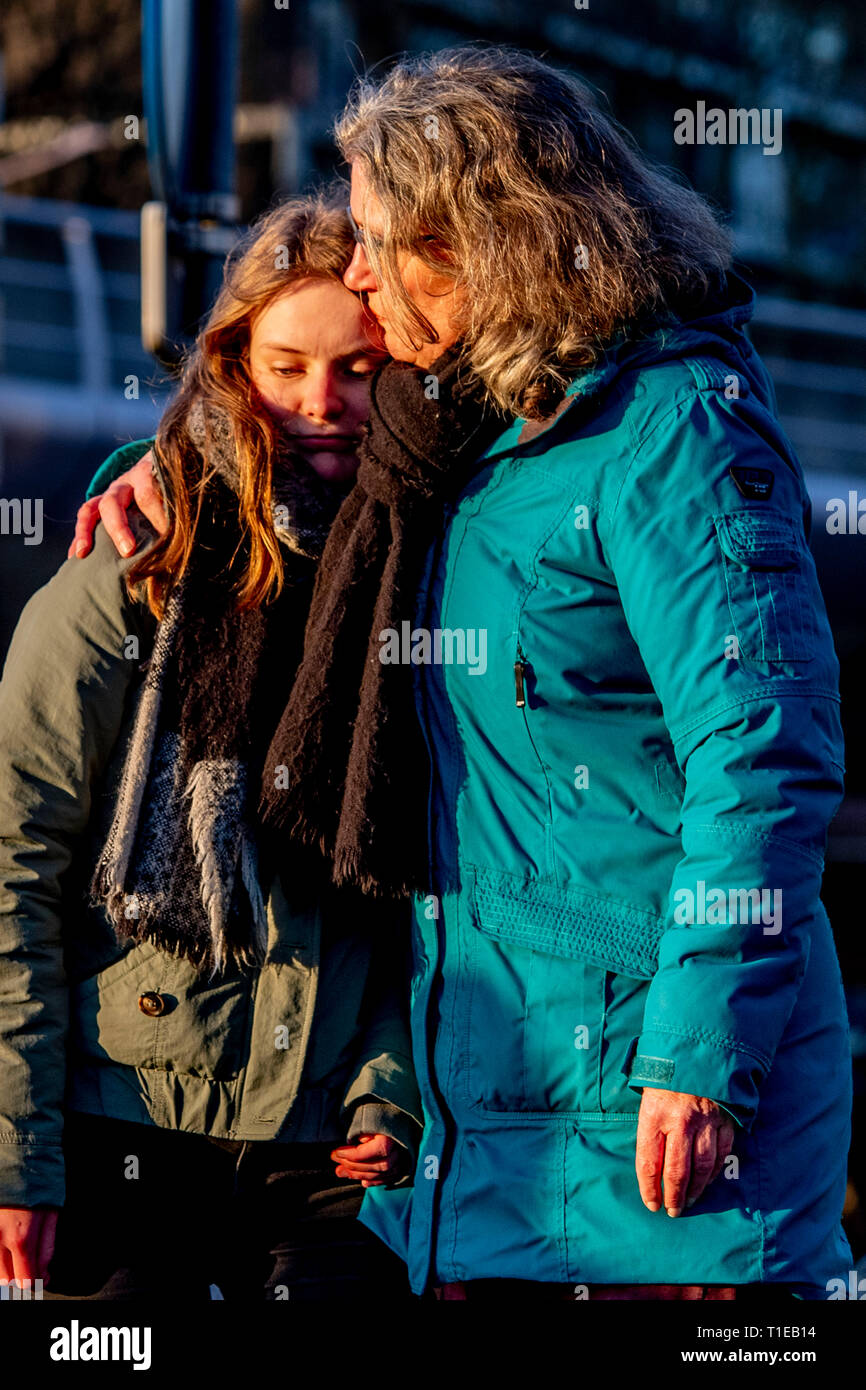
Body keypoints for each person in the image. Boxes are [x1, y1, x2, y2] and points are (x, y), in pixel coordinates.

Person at [73, 46, 853, 1301]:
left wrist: (700, 1056)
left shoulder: (672, 432)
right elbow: (301, 457)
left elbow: (762, 754)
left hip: (653, 1148)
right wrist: (169, 471)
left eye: (384, 241)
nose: (360, 271)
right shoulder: (480, 425)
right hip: (495, 1134)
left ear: (490, 240)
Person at [0, 192, 423, 1302]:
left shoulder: (413, 581)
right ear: (234, 363)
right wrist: (17, 1159)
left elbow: (404, 894)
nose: (318, 405)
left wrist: (385, 1091)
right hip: (122, 1136)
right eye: (285, 367)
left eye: (358, 368)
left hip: (318, 1153)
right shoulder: (126, 575)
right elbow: (12, 866)